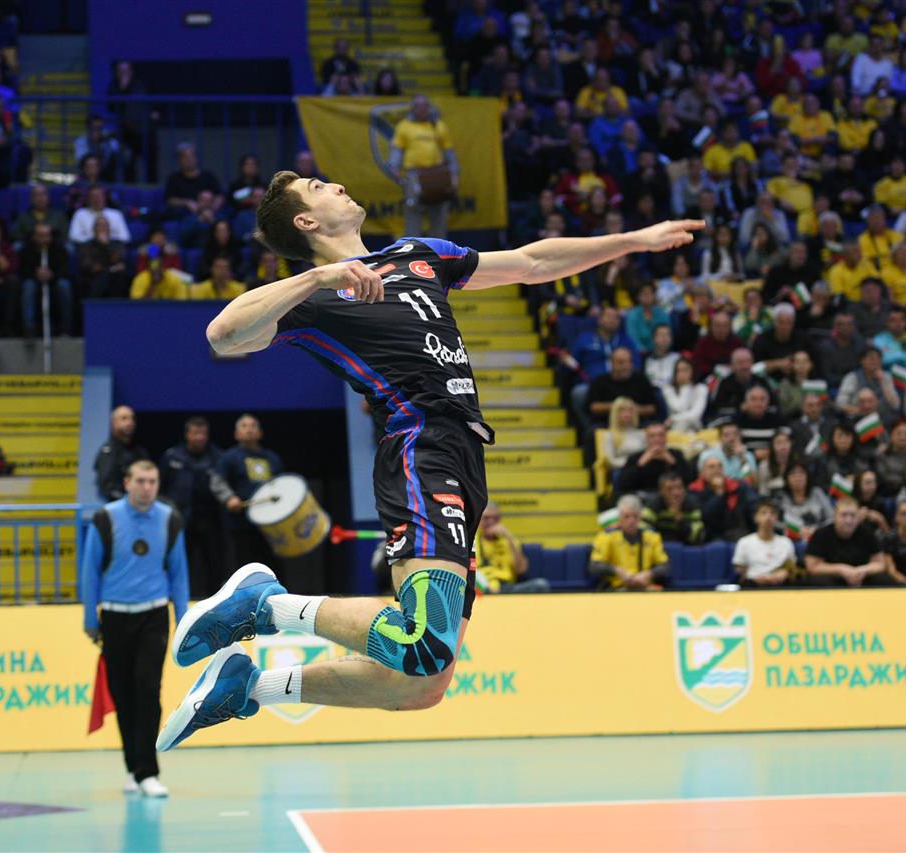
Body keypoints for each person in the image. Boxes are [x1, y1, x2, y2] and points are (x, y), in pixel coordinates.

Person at [155, 167, 700, 750]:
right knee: (424, 640)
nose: (336, 185)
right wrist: (317, 276)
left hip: (466, 455)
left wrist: (633, 240)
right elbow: (223, 335)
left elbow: (532, 262)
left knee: (421, 684)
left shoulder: (420, 254)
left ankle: (249, 688)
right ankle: (265, 606)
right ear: (306, 222)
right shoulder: (313, 295)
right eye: (317, 188)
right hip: (420, 444)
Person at [80, 460, 188, 796]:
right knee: (123, 695)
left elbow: (178, 573)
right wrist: (90, 618)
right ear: (127, 482)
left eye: (152, 481)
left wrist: (183, 619)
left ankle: (148, 771)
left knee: (148, 690)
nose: (146, 487)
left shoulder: (170, 519)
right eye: (140, 481)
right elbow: (90, 571)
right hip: (114, 617)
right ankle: (133, 767)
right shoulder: (105, 518)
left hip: (153, 616)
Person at [159, 417, 231, 596]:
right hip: (180, 519)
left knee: (215, 563)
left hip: (211, 519)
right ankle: (175, 598)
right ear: (187, 434)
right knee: (178, 562)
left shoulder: (219, 457)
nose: (199, 437)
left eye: (203, 433)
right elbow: (161, 489)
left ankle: (216, 601)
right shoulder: (172, 456)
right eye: (195, 433)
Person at [216, 414, 284, 571]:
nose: (249, 430)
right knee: (244, 566)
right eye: (244, 426)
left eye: (253, 426)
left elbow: (281, 484)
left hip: (269, 524)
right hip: (241, 523)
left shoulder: (272, 458)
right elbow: (217, 481)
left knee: (272, 565)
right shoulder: (229, 457)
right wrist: (229, 498)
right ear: (236, 434)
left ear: (260, 433)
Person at [388, 94, 459, 239]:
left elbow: (449, 152)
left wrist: (454, 174)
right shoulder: (404, 126)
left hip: (437, 175)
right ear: (412, 108)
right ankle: (414, 248)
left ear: (429, 108)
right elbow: (397, 152)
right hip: (414, 176)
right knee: (413, 213)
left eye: (425, 105)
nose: (422, 109)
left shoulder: (438, 125)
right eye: (418, 106)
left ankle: (439, 249)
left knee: (439, 215)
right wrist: (396, 171)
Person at [588, 494, 670, 591]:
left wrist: (649, 574)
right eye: (626, 516)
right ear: (619, 518)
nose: (631, 521)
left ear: (640, 517)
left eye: (635, 516)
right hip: (617, 588)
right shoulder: (606, 537)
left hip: (644, 587)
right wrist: (617, 571)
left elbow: (664, 565)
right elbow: (595, 566)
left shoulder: (652, 536)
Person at [804, 497, 888, 587]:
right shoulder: (821, 534)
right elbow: (812, 567)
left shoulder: (868, 533)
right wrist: (841, 570)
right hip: (831, 579)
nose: (848, 520)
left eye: (853, 515)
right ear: (835, 516)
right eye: (843, 515)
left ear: (858, 517)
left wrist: (862, 571)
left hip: (862, 578)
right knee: (816, 581)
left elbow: (880, 563)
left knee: (884, 580)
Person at [474, 502, 547, 593]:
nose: (491, 522)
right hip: (482, 587)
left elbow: (521, 570)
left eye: (495, 518)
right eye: (486, 518)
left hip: (507, 587)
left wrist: (509, 537)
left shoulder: (509, 540)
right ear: (479, 519)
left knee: (541, 585)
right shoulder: (472, 539)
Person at [732, 500, 797, 588]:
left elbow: (791, 568)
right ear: (756, 517)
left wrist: (785, 573)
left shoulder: (786, 542)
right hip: (752, 586)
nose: (768, 517)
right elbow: (740, 572)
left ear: (776, 518)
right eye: (763, 513)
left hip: (780, 586)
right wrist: (754, 579)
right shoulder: (744, 542)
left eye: (772, 513)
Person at [616, 422, 692, 496]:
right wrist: (640, 464)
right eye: (652, 436)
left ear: (666, 437)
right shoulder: (635, 457)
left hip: (673, 496)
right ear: (646, 438)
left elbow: (689, 481)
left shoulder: (676, 454)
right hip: (643, 496)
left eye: (661, 435)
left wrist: (672, 462)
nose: (657, 439)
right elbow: (623, 485)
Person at [94, 405, 150, 502]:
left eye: (132, 418)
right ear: (114, 422)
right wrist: (127, 501)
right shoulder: (108, 451)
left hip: (142, 504)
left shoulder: (140, 451)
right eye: (124, 418)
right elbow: (106, 487)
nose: (129, 422)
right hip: (119, 505)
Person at [642, 472, 705, 544]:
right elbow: (643, 530)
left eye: (679, 487)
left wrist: (681, 521)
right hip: (659, 545)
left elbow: (698, 537)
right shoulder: (653, 504)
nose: (676, 493)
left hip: (685, 547)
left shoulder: (692, 505)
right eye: (670, 489)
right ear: (661, 491)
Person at [662, 358, 707, 433]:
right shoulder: (668, 389)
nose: (682, 374)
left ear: (692, 371)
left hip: (695, 424)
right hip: (674, 426)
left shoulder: (701, 388)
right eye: (679, 371)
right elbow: (679, 408)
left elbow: (696, 414)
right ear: (674, 373)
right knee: (685, 426)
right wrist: (684, 387)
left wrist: (673, 418)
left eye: (685, 370)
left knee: (686, 422)